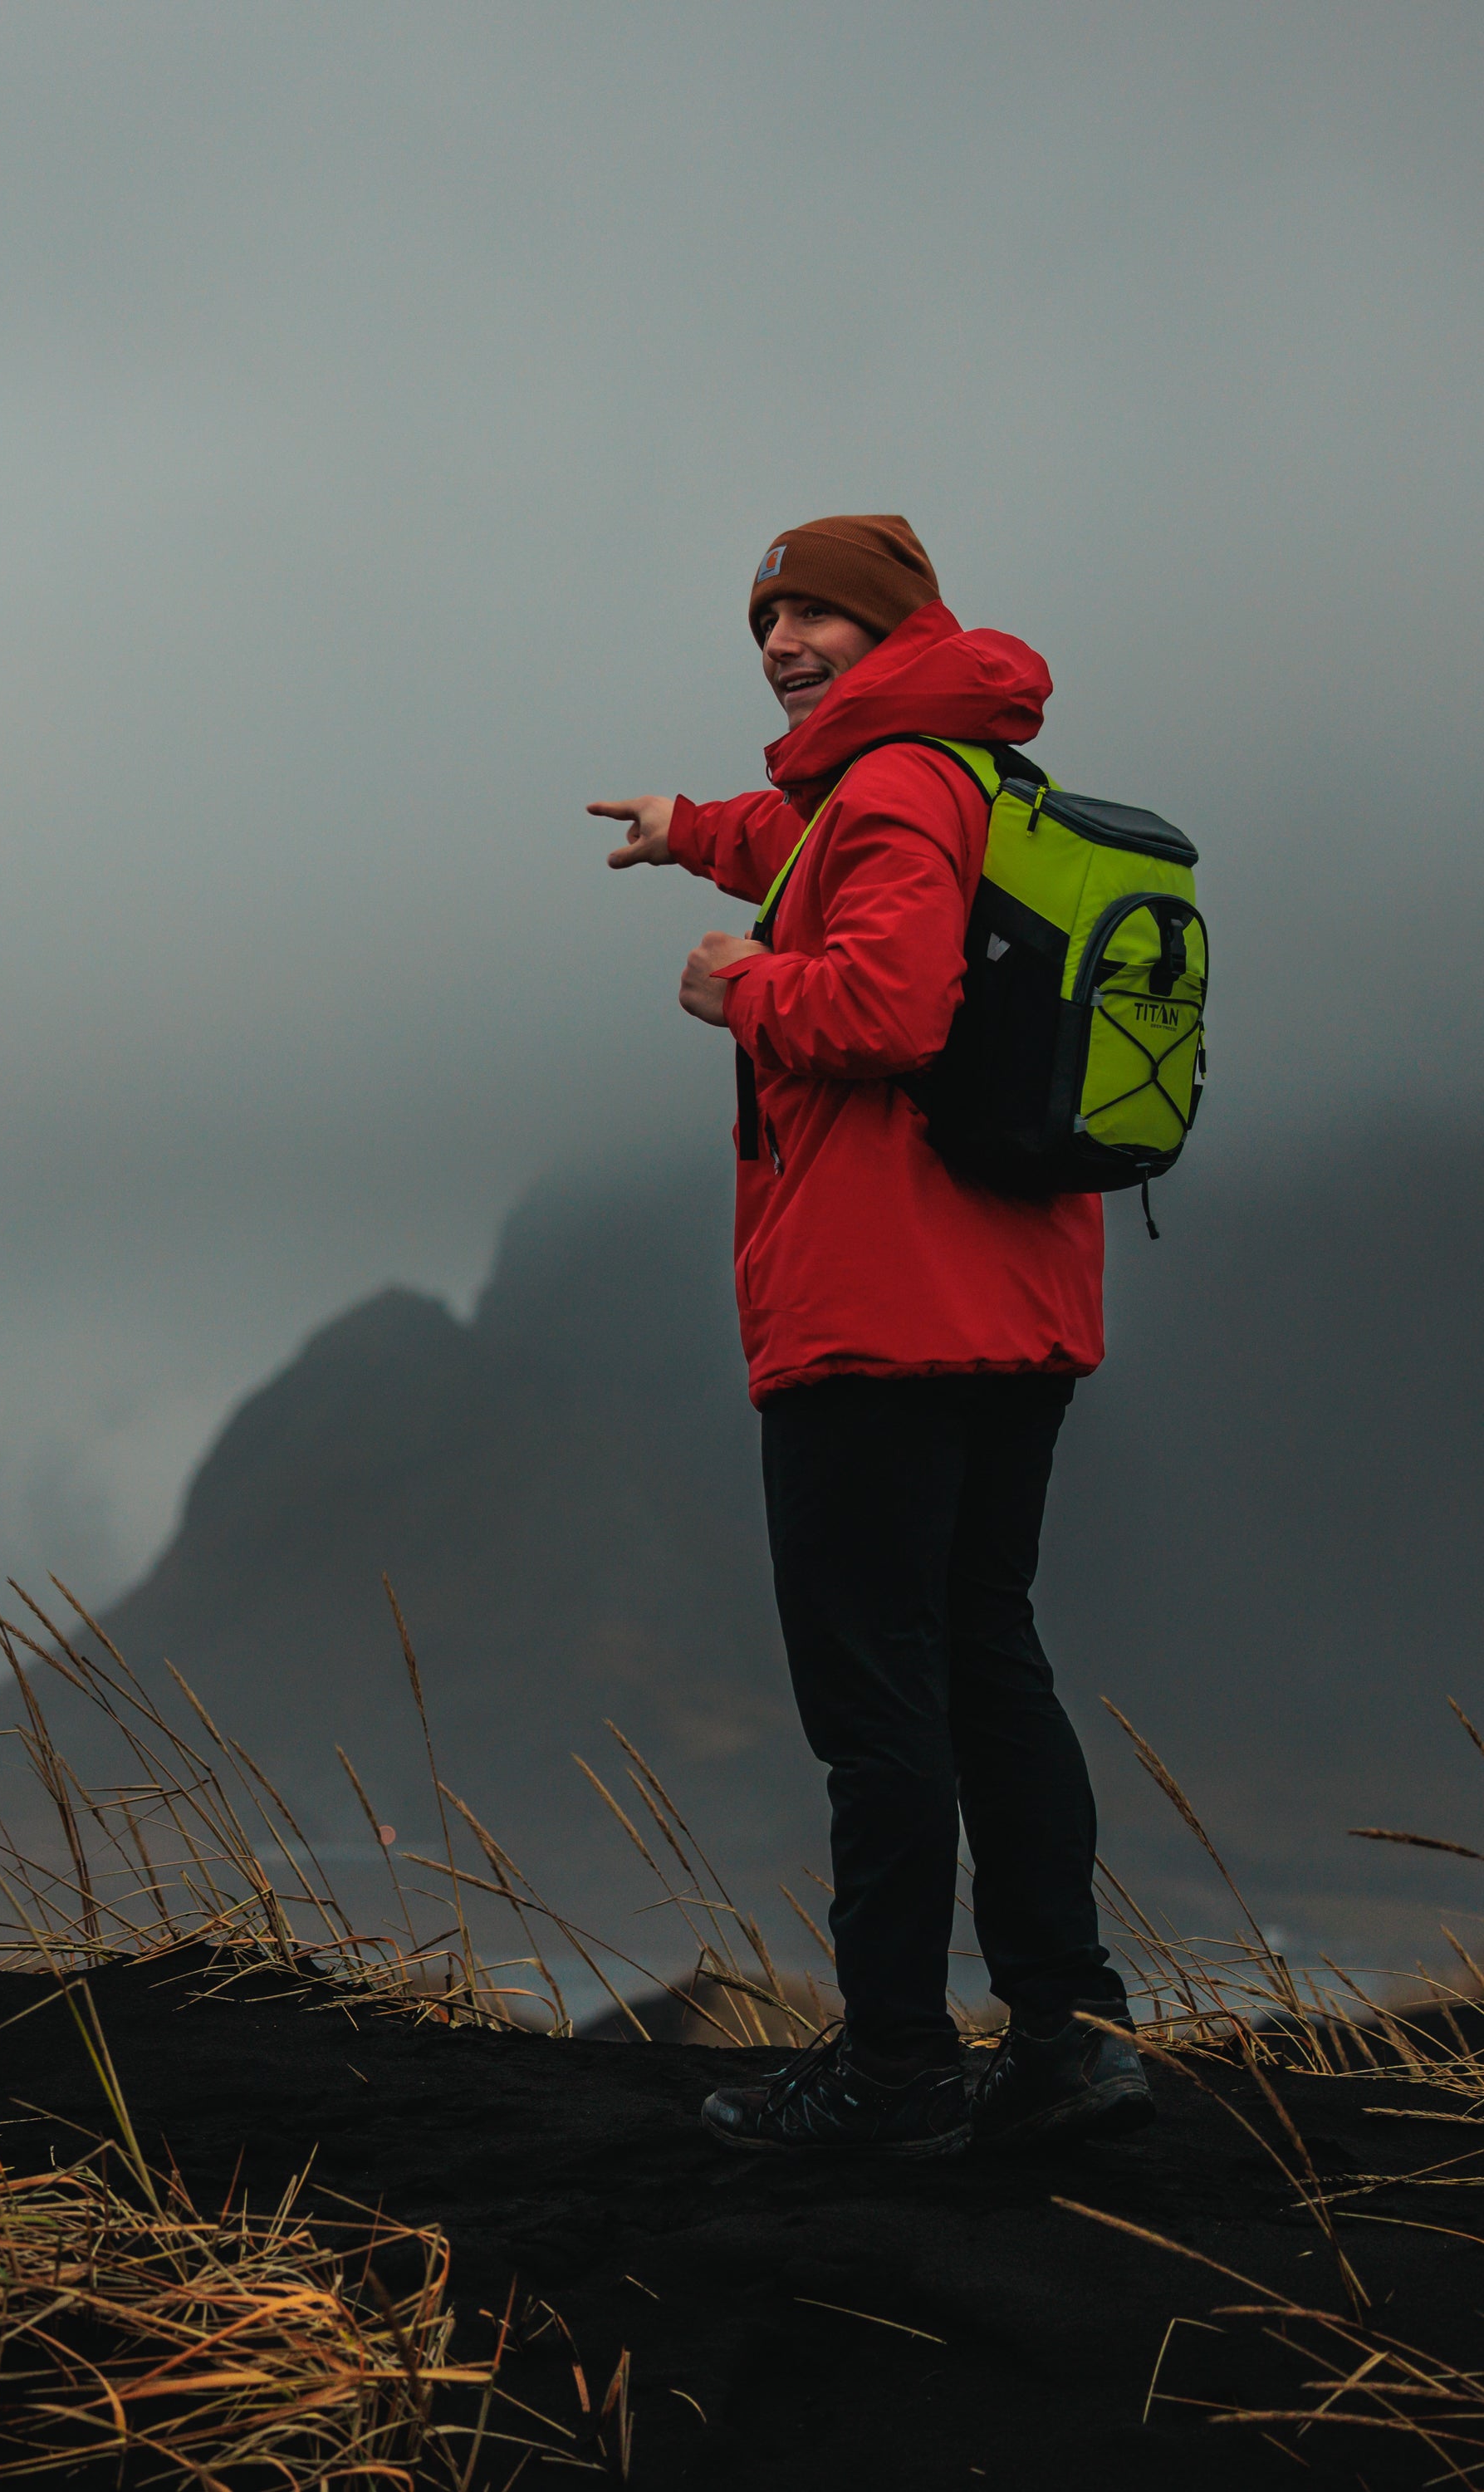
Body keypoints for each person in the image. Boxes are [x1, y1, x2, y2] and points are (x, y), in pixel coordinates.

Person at [590, 514, 1151, 2155]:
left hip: (878, 1321)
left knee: (878, 1698)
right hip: (1017, 1307)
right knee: (987, 1660)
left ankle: (894, 2068)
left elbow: (888, 1009)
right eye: (768, 616)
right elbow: (809, 838)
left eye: (821, 614)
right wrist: (690, 827)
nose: (783, 640)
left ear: (896, 625)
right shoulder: (956, 772)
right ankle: (1070, 2034)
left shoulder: (899, 781)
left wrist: (736, 989)